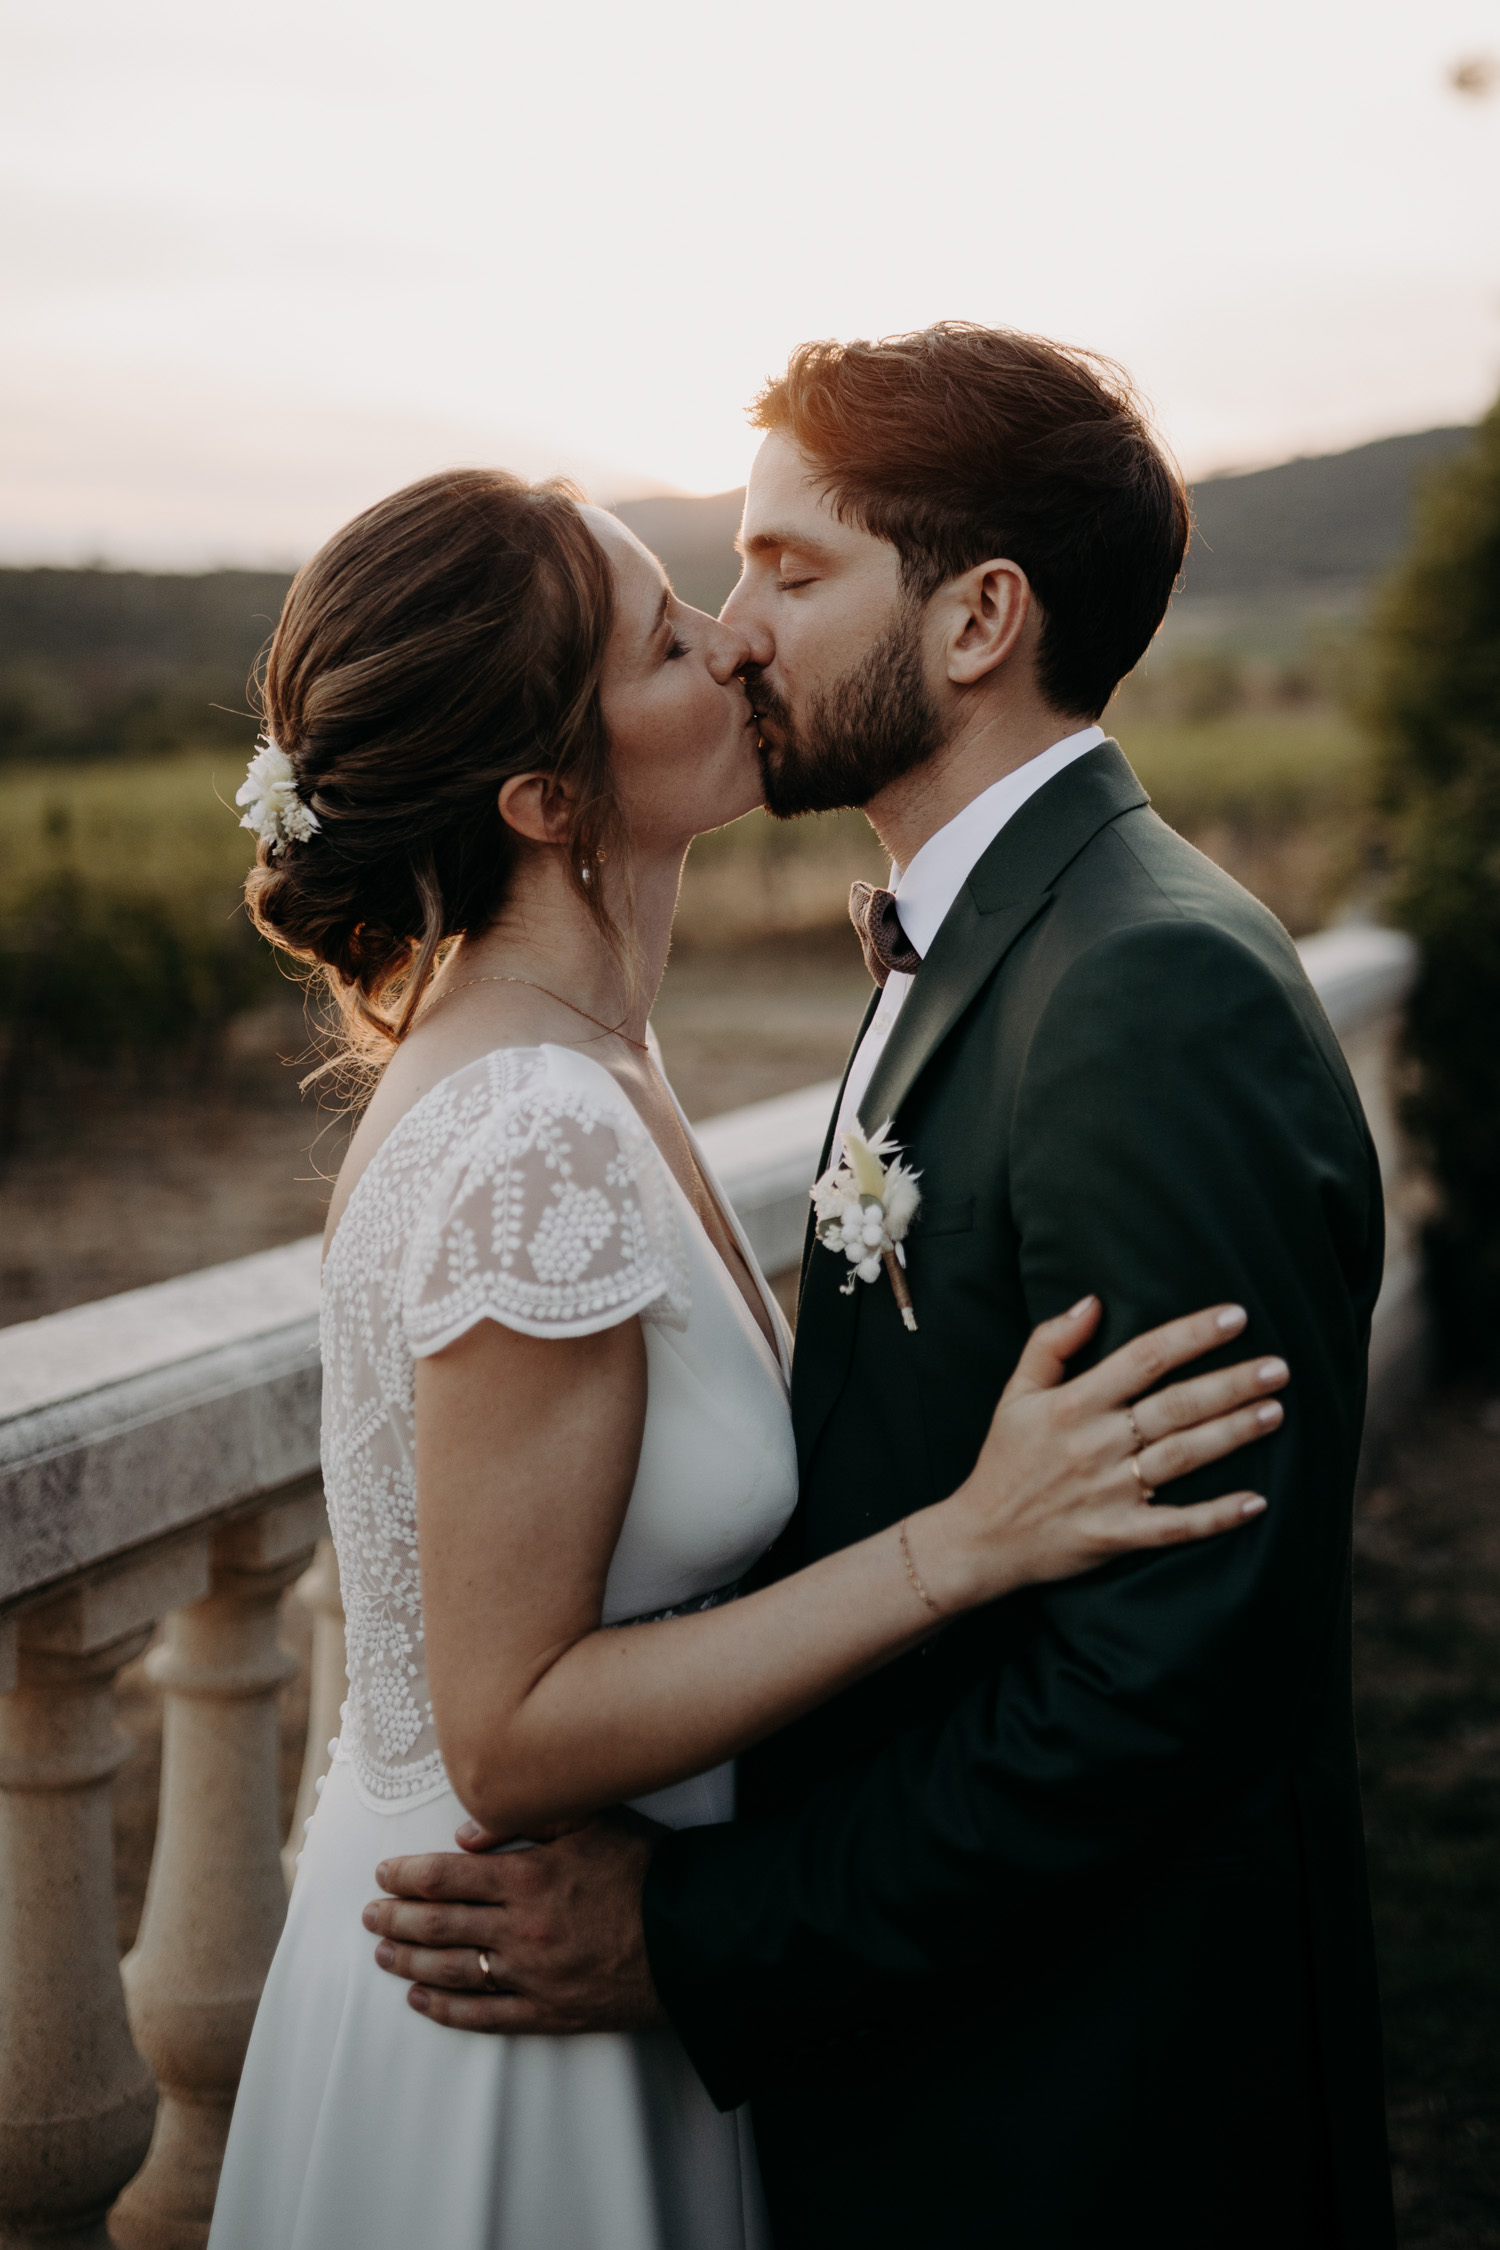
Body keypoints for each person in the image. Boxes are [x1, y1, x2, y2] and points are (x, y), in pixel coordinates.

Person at [368, 328, 1397, 2250]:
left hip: (1097, 2117)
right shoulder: (991, 938)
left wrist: (698, 1930)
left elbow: (1171, 1672)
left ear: (979, 617)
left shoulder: (1146, 992)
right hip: (942, 2074)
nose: (738, 633)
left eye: (791, 567)